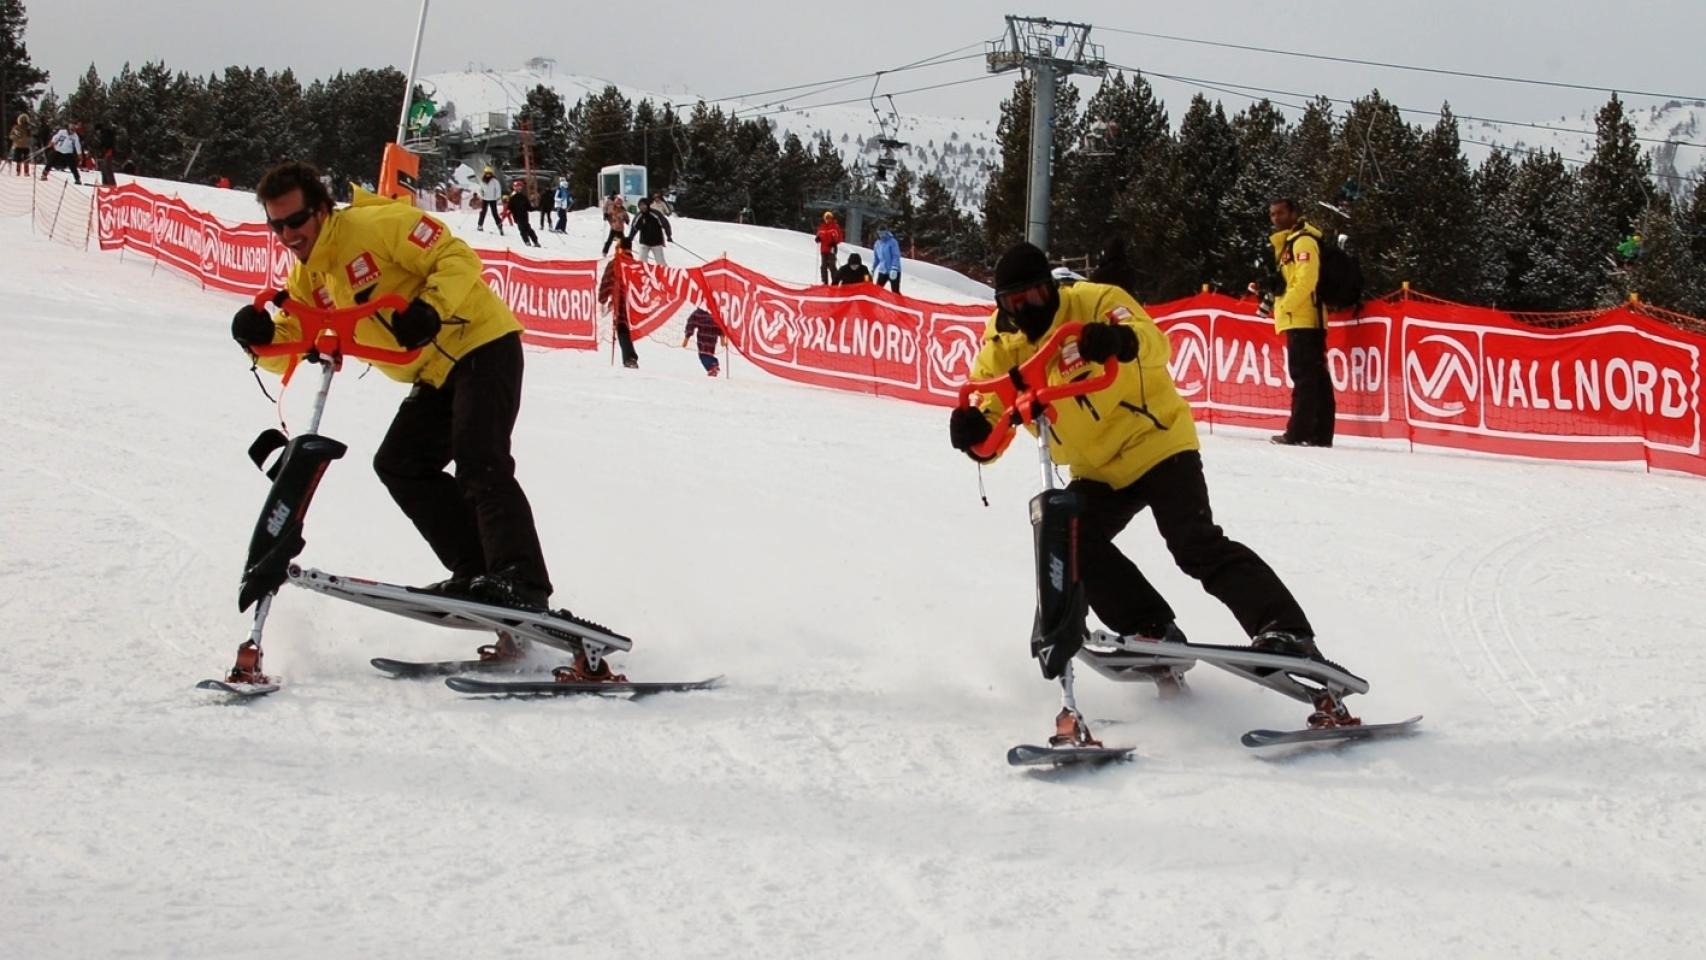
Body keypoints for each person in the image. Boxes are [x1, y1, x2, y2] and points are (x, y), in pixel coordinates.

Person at [948, 241, 1325, 663]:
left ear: (1050, 288)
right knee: (1072, 543)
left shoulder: (1096, 300)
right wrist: (974, 436)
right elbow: (992, 410)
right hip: (1098, 468)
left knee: (1193, 543)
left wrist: (1118, 340)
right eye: (1013, 301)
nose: (1026, 308)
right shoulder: (1001, 344)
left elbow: (1154, 342)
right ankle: (1150, 629)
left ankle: (1286, 630)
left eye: (1034, 295)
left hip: (1156, 442)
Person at [228, 159, 554, 614]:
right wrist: (257, 339)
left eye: (296, 221)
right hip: (432, 372)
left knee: (479, 456)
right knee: (400, 463)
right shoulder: (308, 278)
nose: (287, 236)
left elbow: (458, 257)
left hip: (481, 341)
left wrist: (430, 307)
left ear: (321, 210)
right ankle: (479, 573)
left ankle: (521, 580)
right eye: (276, 226)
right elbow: (294, 339)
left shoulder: (376, 225)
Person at [1267, 197, 1334, 448]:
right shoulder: (1289, 243)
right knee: (1316, 378)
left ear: (1294, 213)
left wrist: (1284, 306)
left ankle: (1299, 432)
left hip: (1304, 319)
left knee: (1305, 377)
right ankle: (1319, 433)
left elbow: (1306, 280)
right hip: (1302, 317)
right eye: (1273, 214)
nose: (1276, 218)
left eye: (1281, 213)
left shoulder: (1303, 240)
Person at [599, 237, 640, 368]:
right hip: (634, 301)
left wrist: (603, 299)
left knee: (622, 328)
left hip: (621, 301)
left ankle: (629, 358)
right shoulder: (634, 263)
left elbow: (606, 281)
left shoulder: (615, 263)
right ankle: (630, 356)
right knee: (626, 329)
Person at [627, 196, 672, 266]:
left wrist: (669, 235)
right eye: (640, 205)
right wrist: (630, 238)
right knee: (641, 262)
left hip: (656, 242)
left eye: (644, 205)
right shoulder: (639, 216)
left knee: (661, 262)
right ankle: (643, 274)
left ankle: (664, 274)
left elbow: (666, 224)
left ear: (647, 205)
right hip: (644, 242)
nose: (642, 207)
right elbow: (634, 228)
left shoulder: (655, 214)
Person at [681, 307, 723, 377]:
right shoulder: (715, 311)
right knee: (709, 353)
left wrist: (687, 337)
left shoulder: (699, 312)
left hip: (703, 337)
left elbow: (691, 323)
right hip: (713, 337)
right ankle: (713, 365)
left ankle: (712, 365)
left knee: (702, 355)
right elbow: (720, 325)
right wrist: (722, 336)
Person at [507, 180, 541, 248]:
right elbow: (510, 207)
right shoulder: (513, 197)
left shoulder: (523, 197)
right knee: (522, 229)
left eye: (520, 187)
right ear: (514, 188)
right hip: (517, 216)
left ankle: (535, 241)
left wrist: (535, 208)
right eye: (517, 187)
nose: (519, 189)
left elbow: (528, 207)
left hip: (524, 216)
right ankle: (527, 241)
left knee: (528, 229)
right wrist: (511, 210)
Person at [815, 211, 843, 285]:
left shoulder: (835, 226)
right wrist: (818, 239)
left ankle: (835, 281)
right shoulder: (822, 226)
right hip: (823, 249)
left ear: (831, 218)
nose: (828, 220)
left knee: (832, 266)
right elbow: (818, 235)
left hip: (831, 249)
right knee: (823, 266)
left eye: (829, 218)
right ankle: (824, 281)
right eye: (826, 218)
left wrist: (835, 243)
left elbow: (840, 237)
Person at [871, 227, 902, 293]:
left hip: (893, 271)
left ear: (886, 232)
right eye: (880, 233)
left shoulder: (892, 242)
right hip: (883, 271)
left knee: (895, 291)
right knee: (877, 290)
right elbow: (876, 259)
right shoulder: (877, 244)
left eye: (883, 233)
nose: (881, 235)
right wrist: (873, 269)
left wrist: (894, 268)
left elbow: (895, 255)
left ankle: (899, 303)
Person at [476, 167, 504, 234]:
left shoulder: (494, 181)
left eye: (489, 174)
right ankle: (480, 225)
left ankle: (499, 226)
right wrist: (481, 194)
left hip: (493, 199)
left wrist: (498, 197)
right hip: (485, 198)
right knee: (483, 212)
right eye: (487, 174)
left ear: (491, 174)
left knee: (494, 213)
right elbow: (480, 189)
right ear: (485, 174)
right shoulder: (483, 181)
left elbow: (498, 189)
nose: (488, 175)